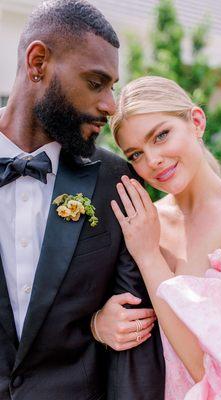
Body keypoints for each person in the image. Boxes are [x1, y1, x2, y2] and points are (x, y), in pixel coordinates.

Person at [0, 3, 165, 399]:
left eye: (112, 87)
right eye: (96, 83)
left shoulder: (116, 180)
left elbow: (135, 332)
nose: (110, 104)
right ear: (38, 62)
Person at [106, 75, 221, 399]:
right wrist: (101, 322)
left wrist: (149, 257)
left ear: (196, 121)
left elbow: (214, 372)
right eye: (135, 154)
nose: (152, 161)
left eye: (161, 135)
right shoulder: (143, 221)